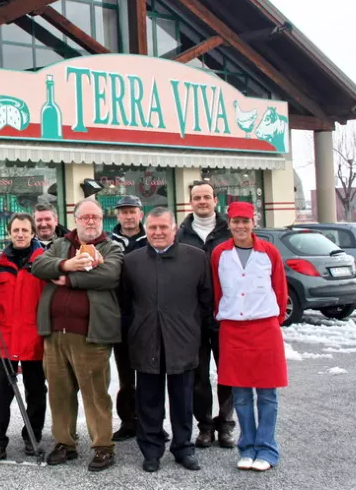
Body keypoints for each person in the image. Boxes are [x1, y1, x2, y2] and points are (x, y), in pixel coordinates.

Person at [32, 198, 122, 472]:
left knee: (95, 394)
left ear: (101, 220)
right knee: (59, 393)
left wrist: (67, 279)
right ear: (76, 220)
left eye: (95, 217)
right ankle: (65, 443)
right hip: (54, 333)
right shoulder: (59, 245)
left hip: (91, 334)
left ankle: (103, 447)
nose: (91, 221)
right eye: (85, 217)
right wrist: (68, 265)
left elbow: (109, 274)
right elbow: (38, 267)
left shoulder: (112, 247)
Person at [121, 207, 213, 473]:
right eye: (153, 228)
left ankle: (183, 448)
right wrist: (134, 330)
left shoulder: (196, 258)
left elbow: (206, 299)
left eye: (163, 227)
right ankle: (151, 450)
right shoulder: (132, 261)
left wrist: (197, 331)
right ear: (146, 230)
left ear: (174, 228)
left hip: (183, 341)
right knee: (148, 401)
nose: (158, 232)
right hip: (145, 340)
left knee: (183, 399)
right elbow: (125, 303)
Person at [211, 202, 288, 472]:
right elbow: (218, 291)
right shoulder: (220, 254)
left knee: (267, 395)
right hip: (233, 330)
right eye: (236, 221)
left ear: (253, 222)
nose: (241, 226)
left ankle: (266, 449)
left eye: (245, 221)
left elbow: (280, 289)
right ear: (229, 224)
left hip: (265, 329)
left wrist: (273, 322)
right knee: (241, 395)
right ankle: (247, 447)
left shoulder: (269, 252)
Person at [0, 213, 47, 461]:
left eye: (25, 230)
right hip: (3, 338)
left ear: (33, 233)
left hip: (34, 338)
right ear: (9, 233)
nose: (20, 234)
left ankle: (33, 436)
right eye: (16, 230)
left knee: (36, 391)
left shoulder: (43, 261)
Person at [177, 181, 235, 449]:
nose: (202, 201)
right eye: (196, 197)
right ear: (191, 202)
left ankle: (225, 424)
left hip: (226, 315)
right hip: (193, 318)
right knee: (198, 376)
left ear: (215, 200)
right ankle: (204, 427)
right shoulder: (181, 234)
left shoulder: (230, 231)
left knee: (228, 373)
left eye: (206, 197)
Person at [108, 195, 146, 442]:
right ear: (117, 215)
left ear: (140, 214)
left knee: (149, 374)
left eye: (132, 211)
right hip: (119, 317)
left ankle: (150, 421)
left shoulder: (150, 238)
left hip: (146, 317)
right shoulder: (110, 242)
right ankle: (127, 421)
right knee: (125, 376)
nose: (129, 216)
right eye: (124, 212)